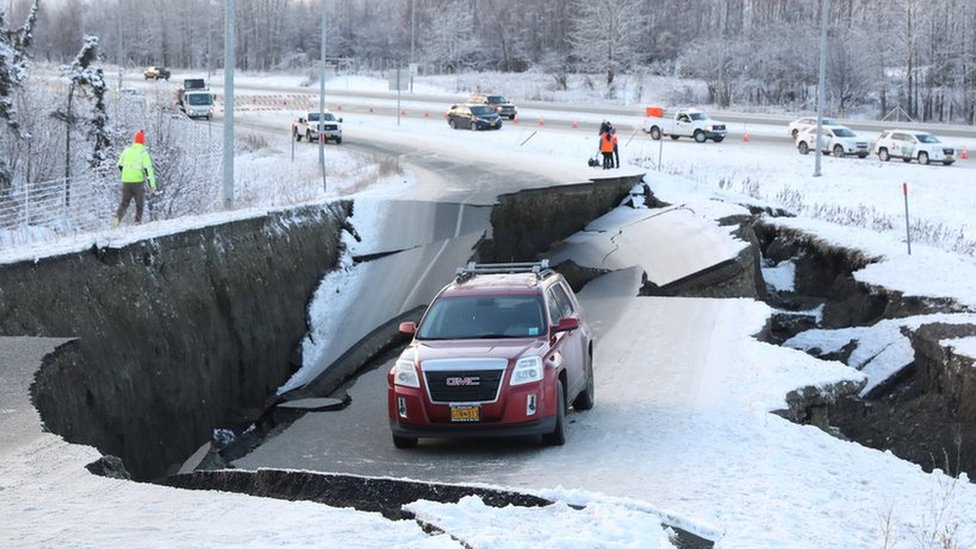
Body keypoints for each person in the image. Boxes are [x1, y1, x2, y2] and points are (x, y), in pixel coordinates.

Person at [114, 130, 156, 227]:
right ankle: (137, 222)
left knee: (124, 203)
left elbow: (119, 165)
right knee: (139, 203)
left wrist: (126, 174)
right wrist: (152, 185)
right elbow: (148, 170)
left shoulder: (126, 151)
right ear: (143, 142)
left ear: (134, 140)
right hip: (137, 182)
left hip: (126, 181)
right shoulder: (143, 153)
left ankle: (115, 222)